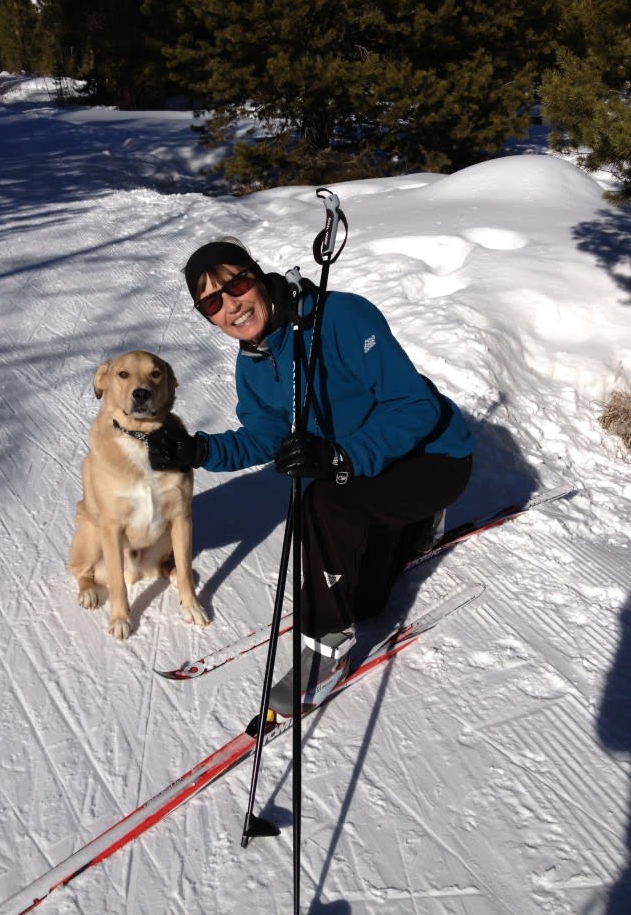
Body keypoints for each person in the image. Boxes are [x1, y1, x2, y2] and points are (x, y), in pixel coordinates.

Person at [147, 238, 473, 713]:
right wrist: (198, 450)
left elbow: (415, 406)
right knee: (365, 601)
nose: (232, 305)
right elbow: (266, 436)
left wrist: (340, 457)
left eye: (236, 284)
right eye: (213, 302)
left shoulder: (340, 318)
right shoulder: (253, 362)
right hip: (370, 468)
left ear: (256, 275)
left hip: (433, 457)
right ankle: (411, 526)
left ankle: (327, 647)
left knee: (320, 504)